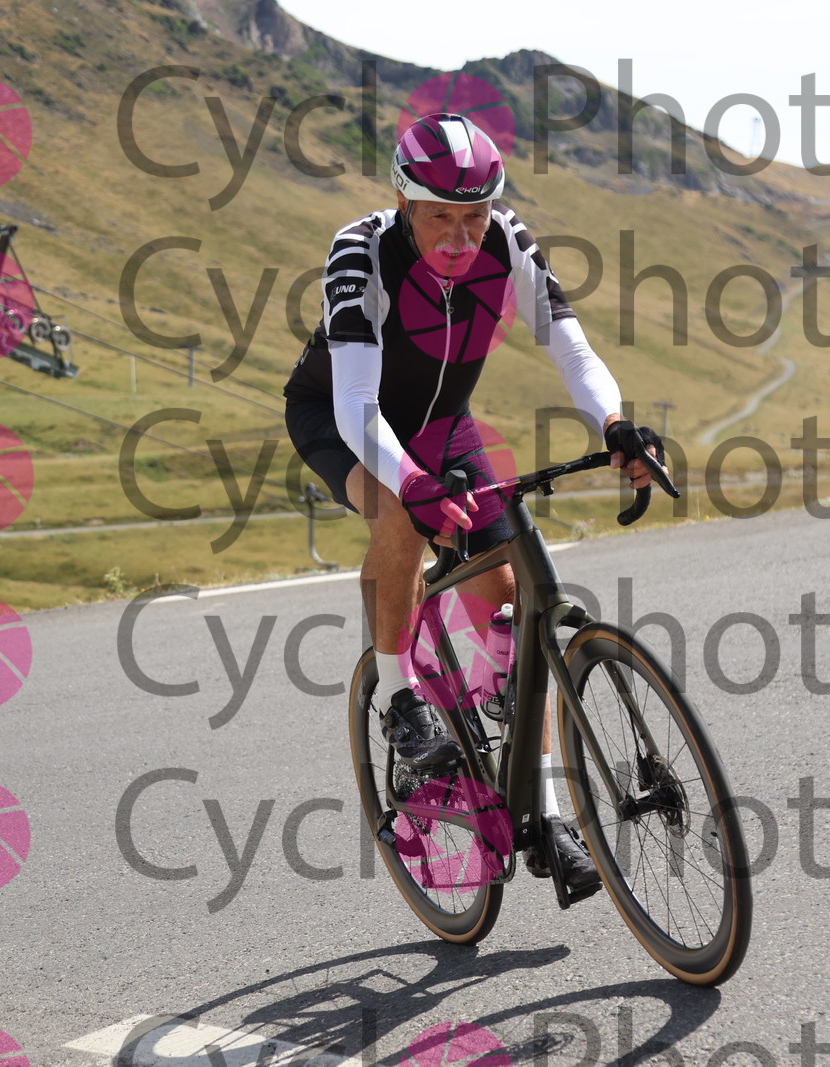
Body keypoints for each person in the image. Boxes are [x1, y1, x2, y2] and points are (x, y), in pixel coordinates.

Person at [283, 112, 663, 898]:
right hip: (342, 419)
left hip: (443, 428)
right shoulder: (361, 251)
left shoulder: (507, 240)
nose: (460, 238)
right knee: (399, 518)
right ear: (403, 200)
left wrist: (615, 424)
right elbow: (356, 400)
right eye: (439, 218)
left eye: (475, 216)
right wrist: (411, 483)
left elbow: (570, 345)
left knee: (517, 604)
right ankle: (400, 702)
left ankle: (546, 812)